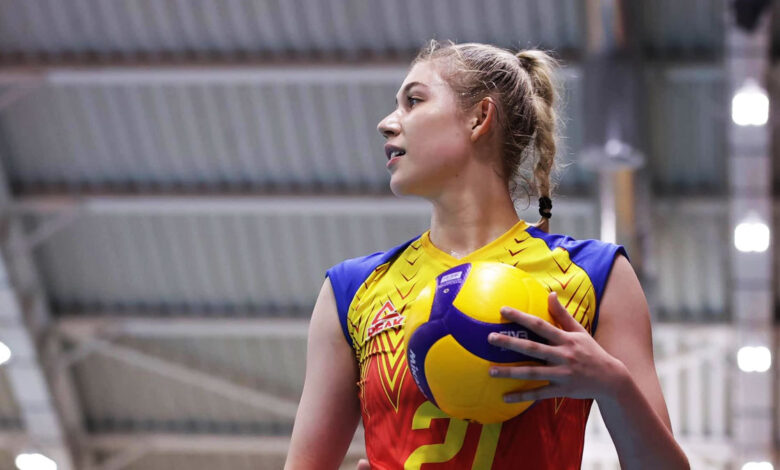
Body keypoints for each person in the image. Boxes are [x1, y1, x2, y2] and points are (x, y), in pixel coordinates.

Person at [285, 40, 689, 469]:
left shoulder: (595, 274)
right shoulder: (351, 290)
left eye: (413, 101)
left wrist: (614, 385)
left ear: (479, 117)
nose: (387, 124)